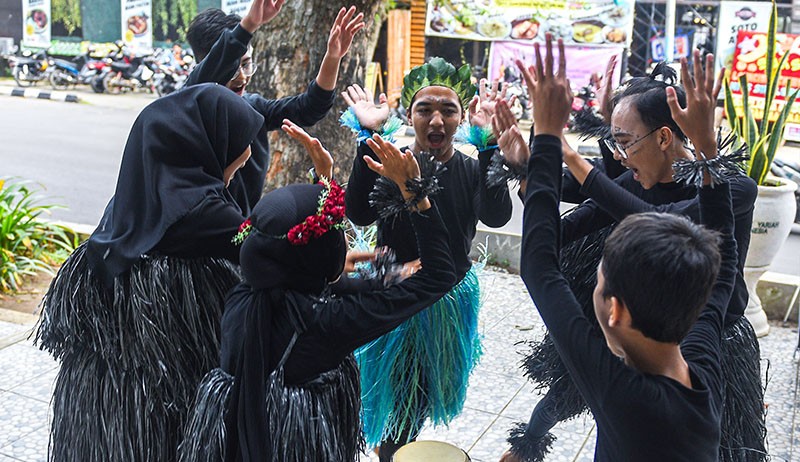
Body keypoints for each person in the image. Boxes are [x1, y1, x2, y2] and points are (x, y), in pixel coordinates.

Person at [496, 50, 762, 462]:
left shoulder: (618, 391)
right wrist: (530, 170)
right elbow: (721, 256)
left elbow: (543, 263)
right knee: (559, 399)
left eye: (622, 141)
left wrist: (555, 144)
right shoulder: (700, 369)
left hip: (704, 337)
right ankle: (527, 444)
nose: (617, 155)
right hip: (687, 339)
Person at [177, 131, 456, 462]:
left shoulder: (244, 292)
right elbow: (440, 277)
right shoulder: (327, 323)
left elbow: (299, 268)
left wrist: (324, 182)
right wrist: (414, 192)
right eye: (338, 234)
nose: (344, 241)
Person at [33, 84, 268, 462]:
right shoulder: (205, 212)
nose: (229, 180)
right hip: (158, 393)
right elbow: (270, 249)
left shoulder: (139, 190)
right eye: (234, 167)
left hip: (100, 390)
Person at [343, 59, 514, 460]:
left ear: (461, 117)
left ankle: (395, 450)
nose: (436, 120)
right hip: (393, 292)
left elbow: (497, 216)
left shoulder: (471, 168)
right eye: (425, 109)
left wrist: (489, 147)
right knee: (387, 398)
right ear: (409, 116)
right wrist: (368, 136)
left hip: (444, 301)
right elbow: (359, 213)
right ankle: (391, 449)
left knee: (412, 402)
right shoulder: (392, 161)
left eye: (448, 110)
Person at [185, 0, 364, 211]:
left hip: (243, 225)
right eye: (231, 68)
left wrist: (332, 58)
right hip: (202, 225)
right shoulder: (187, 110)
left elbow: (310, 107)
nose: (241, 77)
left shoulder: (253, 109)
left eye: (246, 64)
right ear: (207, 66)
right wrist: (249, 25)